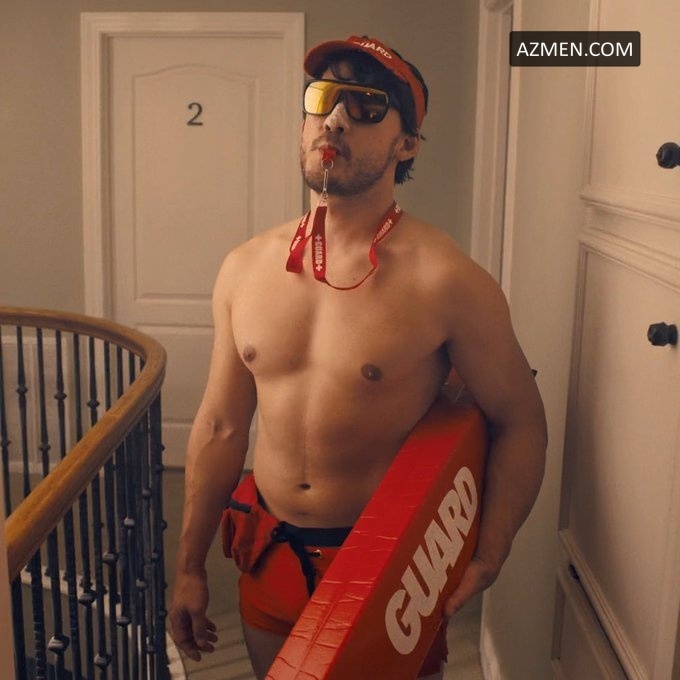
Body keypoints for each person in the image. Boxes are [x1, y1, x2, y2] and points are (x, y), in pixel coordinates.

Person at [169, 35, 547, 680]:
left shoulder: (446, 280)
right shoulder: (244, 268)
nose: (337, 118)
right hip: (270, 552)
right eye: (323, 98)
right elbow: (221, 425)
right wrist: (188, 566)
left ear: (407, 145)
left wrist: (492, 550)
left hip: (386, 570)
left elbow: (520, 420)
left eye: (368, 105)